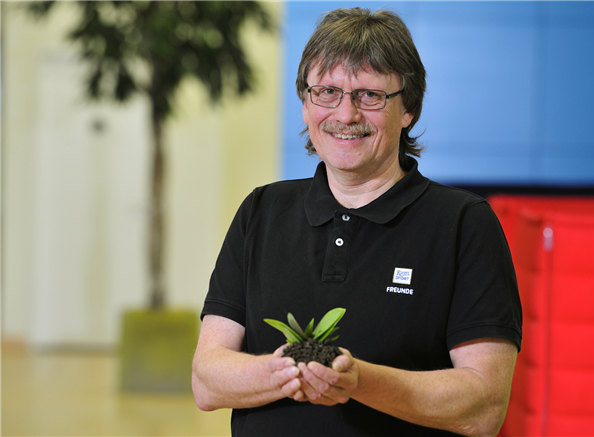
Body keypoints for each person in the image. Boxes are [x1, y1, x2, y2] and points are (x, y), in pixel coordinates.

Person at [192, 7, 522, 437]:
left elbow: (484, 405)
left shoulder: (464, 224)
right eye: (326, 91)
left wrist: (360, 382)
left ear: (409, 109)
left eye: (369, 95)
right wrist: (287, 374)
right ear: (306, 103)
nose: (345, 115)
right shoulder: (262, 211)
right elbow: (206, 381)